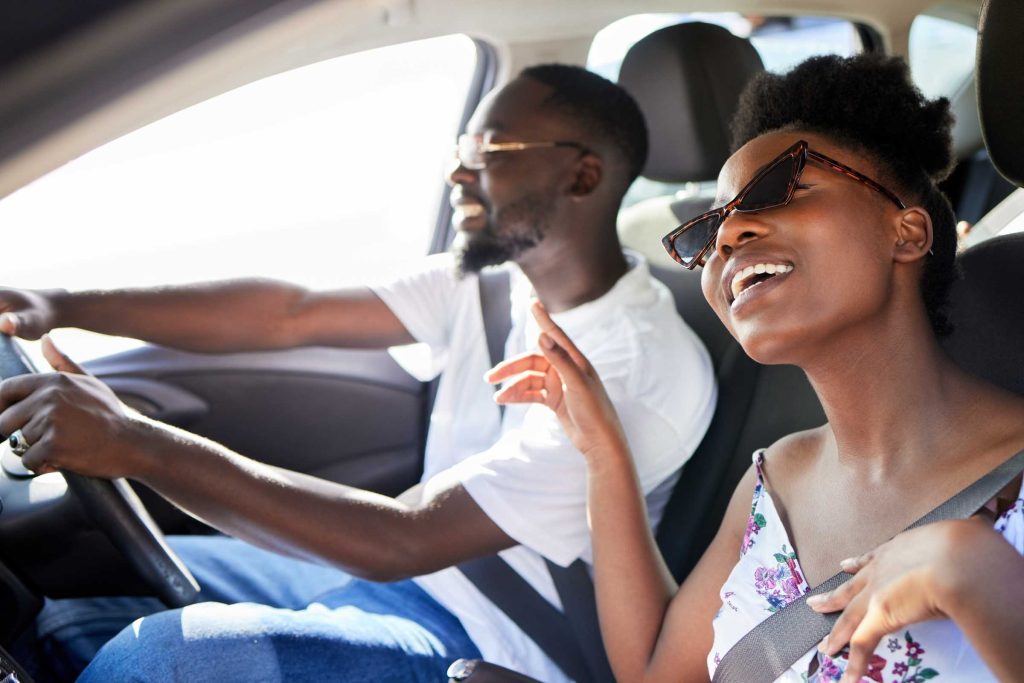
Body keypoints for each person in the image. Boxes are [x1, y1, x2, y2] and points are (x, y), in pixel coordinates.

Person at [0, 63, 716, 682]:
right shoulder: (493, 284)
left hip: (500, 644)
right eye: (459, 148)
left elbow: (405, 538)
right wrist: (59, 303)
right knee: (73, 610)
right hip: (411, 583)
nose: (458, 171)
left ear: (581, 173)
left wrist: (138, 442)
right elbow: (287, 314)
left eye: (488, 150)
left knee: (159, 658)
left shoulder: (637, 364)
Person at [489, 54, 1024, 682]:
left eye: (778, 188)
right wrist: (603, 449)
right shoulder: (775, 480)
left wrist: (970, 570)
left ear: (905, 232)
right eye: (705, 230)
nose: (727, 234)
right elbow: (655, 673)